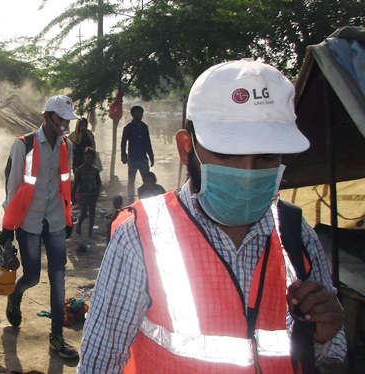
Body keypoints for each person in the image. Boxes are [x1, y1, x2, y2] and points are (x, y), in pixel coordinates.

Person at [79, 59, 346, 373]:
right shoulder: (140, 236)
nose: (247, 173)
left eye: (266, 157)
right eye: (227, 154)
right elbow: (100, 363)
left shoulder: (295, 233)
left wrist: (325, 334)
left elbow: (329, 354)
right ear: (186, 148)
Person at [1, 95, 79, 359]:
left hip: (55, 218)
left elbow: (65, 184)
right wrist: (7, 229)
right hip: (29, 220)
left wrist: (67, 219)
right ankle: (15, 294)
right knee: (32, 276)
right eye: (61, 118)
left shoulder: (67, 146)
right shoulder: (25, 145)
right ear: (47, 117)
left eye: (68, 119)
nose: (65, 124)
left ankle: (57, 336)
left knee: (58, 277)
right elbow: (13, 188)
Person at [120, 106, 154, 203]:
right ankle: (131, 199)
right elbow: (123, 143)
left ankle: (147, 197)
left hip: (143, 158)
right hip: (132, 159)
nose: (140, 115)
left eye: (141, 113)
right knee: (131, 180)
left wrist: (151, 156)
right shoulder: (128, 128)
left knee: (147, 179)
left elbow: (148, 143)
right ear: (133, 114)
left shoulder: (144, 127)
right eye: (138, 113)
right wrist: (123, 155)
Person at [71, 147, 102, 239]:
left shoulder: (95, 170)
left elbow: (99, 182)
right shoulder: (80, 170)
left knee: (92, 215)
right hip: (83, 195)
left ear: (94, 159)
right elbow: (75, 183)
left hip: (92, 195)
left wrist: (97, 192)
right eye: (88, 158)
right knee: (84, 214)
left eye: (92, 158)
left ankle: (90, 233)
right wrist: (72, 196)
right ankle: (79, 225)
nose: (90, 160)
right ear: (84, 157)